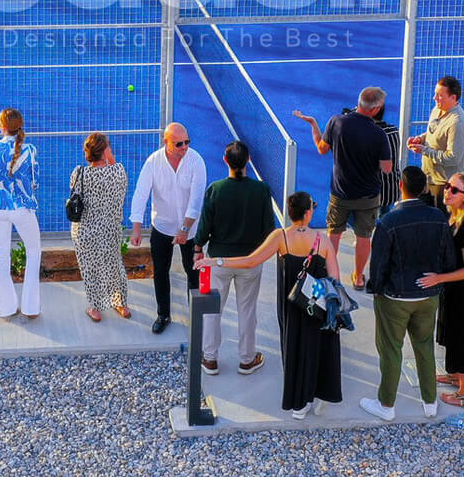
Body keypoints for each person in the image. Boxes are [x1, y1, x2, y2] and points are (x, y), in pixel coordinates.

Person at [197, 191, 343, 420]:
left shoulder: (280, 237)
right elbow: (335, 279)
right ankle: (315, 394)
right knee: (315, 347)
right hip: (316, 303)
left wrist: (216, 261)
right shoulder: (322, 240)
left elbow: (250, 261)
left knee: (292, 348)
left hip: (291, 304)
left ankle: (298, 404)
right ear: (307, 213)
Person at [358, 166, 457, 421]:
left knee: (391, 349)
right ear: (424, 188)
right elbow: (449, 258)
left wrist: (377, 290)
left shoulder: (388, 221)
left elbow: (378, 264)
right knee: (424, 347)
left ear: (401, 186)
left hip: (395, 297)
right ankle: (430, 402)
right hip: (428, 295)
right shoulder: (439, 217)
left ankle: (386, 404)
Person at [292, 86, 398, 288]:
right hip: (368, 196)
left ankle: (330, 275)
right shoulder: (379, 134)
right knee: (364, 236)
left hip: (340, 193)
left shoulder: (336, 122)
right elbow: (387, 168)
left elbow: (321, 149)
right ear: (375, 109)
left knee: (334, 233)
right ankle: (358, 277)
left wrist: (314, 124)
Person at [190, 141, 277, 377]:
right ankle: (247, 359)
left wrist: (198, 248)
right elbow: (269, 229)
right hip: (250, 262)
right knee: (247, 311)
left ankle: (210, 359)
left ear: (225, 160)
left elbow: (205, 226)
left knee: (213, 310)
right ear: (248, 160)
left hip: (219, 261)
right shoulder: (261, 190)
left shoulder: (216, 189)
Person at [129, 122, 207, 335]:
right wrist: (136, 228)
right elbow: (140, 194)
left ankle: (196, 317)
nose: (185, 147)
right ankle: (163, 315)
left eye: (187, 142)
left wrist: (184, 229)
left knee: (193, 273)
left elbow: (196, 201)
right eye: (179, 144)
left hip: (190, 231)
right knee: (160, 272)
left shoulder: (196, 161)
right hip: (162, 228)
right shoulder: (153, 162)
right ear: (166, 142)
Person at [424, 171, 464, 410]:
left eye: (454, 190)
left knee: (463, 336)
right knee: (452, 331)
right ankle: (456, 376)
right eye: (448, 186)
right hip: (454, 288)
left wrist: (439, 278)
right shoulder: (454, 218)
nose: (447, 192)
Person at [68, 132, 130, 323]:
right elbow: (120, 187)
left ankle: (95, 308)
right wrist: (109, 159)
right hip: (111, 229)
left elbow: (74, 192)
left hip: (86, 230)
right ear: (104, 151)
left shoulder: (80, 173)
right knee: (114, 265)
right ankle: (121, 303)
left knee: (91, 269)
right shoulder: (118, 171)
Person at [0, 108, 41, 320]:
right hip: (21, 208)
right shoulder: (30, 149)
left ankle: (6, 308)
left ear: (2, 127)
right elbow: (34, 182)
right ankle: (30, 308)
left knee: (2, 255)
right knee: (33, 252)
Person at [407, 76, 464, 206]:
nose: (434, 98)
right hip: (430, 182)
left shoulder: (457, 123)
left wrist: (424, 150)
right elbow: (435, 133)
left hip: (447, 187)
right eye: (435, 94)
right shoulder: (437, 109)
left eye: (439, 95)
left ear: (453, 98)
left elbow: (452, 158)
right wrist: (421, 139)